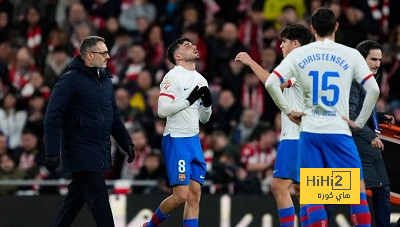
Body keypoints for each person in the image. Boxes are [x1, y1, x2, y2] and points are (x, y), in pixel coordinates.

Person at [264, 8, 379, 227]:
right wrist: (360, 122)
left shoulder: (299, 54)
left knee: (313, 194)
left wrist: (288, 111)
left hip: (310, 133)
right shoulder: (351, 54)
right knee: (356, 191)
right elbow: (373, 91)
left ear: (313, 28)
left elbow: (271, 83)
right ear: (336, 26)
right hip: (339, 132)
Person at [44, 36, 135, 227]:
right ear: (89, 55)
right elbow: (53, 115)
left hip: (99, 149)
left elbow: (113, 116)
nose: (108, 57)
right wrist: (52, 151)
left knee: (74, 201)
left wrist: (126, 142)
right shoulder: (70, 80)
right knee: (99, 198)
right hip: (80, 149)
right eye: (103, 53)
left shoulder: (106, 80)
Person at [235, 23, 313, 227]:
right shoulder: (312, 63)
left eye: (284, 42)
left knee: (279, 187)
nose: (281, 46)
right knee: (302, 190)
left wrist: (251, 62)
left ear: (295, 43)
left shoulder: (296, 63)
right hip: (309, 136)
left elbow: (273, 83)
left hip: (295, 136)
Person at [141, 37, 212, 227]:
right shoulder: (172, 77)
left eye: (193, 44)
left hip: (194, 140)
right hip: (177, 139)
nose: (194, 47)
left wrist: (207, 104)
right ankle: (149, 226)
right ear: (178, 56)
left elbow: (204, 118)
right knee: (181, 195)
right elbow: (162, 110)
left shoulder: (201, 79)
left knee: (195, 193)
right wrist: (190, 100)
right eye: (188, 46)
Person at [352, 40, 394, 227]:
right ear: (362, 59)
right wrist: (371, 137)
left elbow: (362, 111)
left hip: (369, 147)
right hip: (358, 146)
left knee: (382, 189)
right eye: (373, 59)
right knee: (350, 194)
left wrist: (380, 116)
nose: (377, 63)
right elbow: (350, 115)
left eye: (379, 59)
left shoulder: (369, 80)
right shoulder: (353, 82)